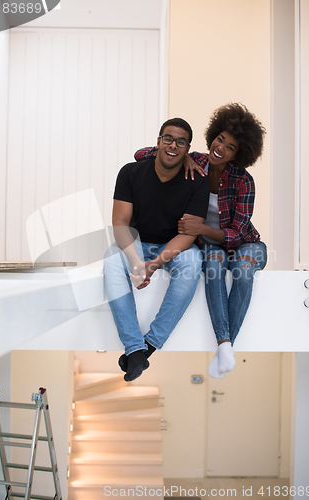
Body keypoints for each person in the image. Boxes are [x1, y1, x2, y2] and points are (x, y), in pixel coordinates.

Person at [134, 103, 267, 378]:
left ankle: (224, 346)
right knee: (214, 266)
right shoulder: (196, 162)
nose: (221, 148)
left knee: (242, 269)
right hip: (212, 246)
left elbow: (238, 234)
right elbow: (141, 154)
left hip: (247, 244)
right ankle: (225, 348)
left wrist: (201, 227)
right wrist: (181, 157)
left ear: (238, 154)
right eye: (220, 139)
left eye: (230, 147)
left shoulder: (244, 181)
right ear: (213, 136)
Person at [104, 118, 210, 382]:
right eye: (168, 139)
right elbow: (120, 223)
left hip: (172, 244)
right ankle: (134, 346)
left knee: (193, 261)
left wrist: (153, 265)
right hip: (136, 240)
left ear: (187, 148)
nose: (173, 146)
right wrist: (136, 261)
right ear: (158, 141)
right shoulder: (130, 172)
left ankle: (147, 346)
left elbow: (188, 234)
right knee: (111, 259)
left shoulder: (197, 181)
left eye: (181, 142)